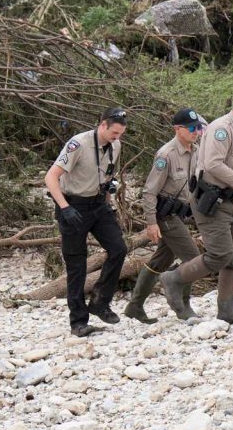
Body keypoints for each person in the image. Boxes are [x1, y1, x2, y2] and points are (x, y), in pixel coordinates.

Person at [160, 91, 233, 324]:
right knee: (220, 254)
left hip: (230, 201)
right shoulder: (222, 129)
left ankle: (227, 309)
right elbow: (212, 164)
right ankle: (173, 279)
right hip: (211, 201)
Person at [43, 107, 128, 337]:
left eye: (120, 134)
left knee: (119, 249)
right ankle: (78, 321)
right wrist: (65, 208)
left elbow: (108, 176)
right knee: (77, 265)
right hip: (73, 205)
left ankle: (100, 302)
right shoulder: (78, 144)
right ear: (102, 125)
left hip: (98, 205)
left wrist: (109, 199)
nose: (117, 137)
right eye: (114, 132)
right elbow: (51, 177)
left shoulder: (116, 146)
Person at [124, 108, 204, 324]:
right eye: (191, 128)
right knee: (193, 258)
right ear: (177, 129)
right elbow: (149, 191)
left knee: (161, 259)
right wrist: (151, 223)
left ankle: (135, 306)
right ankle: (183, 305)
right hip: (165, 215)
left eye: (198, 127)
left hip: (180, 213)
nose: (196, 132)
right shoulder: (166, 154)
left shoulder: (196, 151)